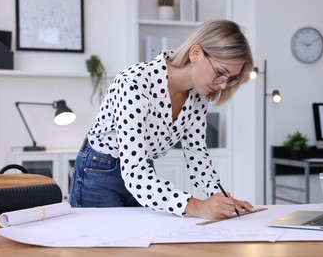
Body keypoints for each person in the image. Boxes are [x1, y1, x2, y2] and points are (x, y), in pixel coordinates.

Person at [69, 19, 255, 219]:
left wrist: (222, 199)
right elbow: (134, 173)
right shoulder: (135, 83)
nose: (223, 86)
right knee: (102, 248)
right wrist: (196, 206)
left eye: (230, 80)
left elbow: (197, 156)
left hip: (143, 174)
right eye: (220, 73)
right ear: (196, 54)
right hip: (99, 172)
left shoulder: (198, 97)